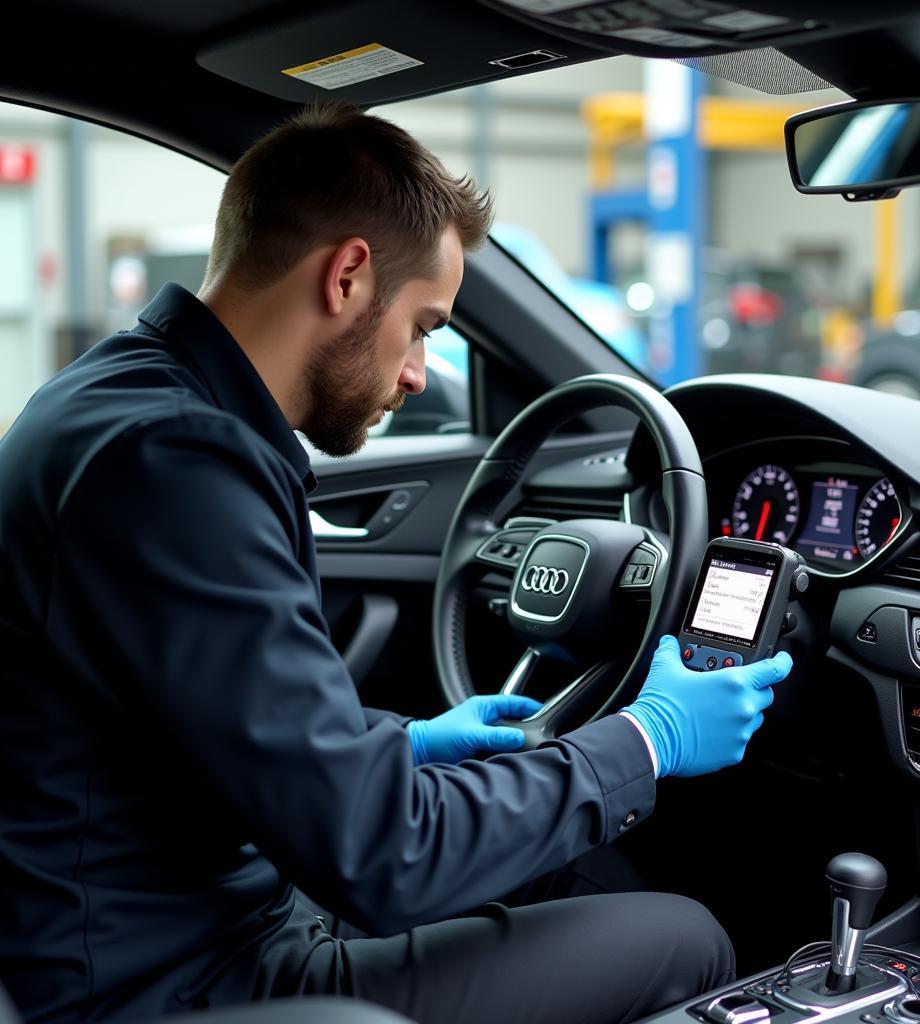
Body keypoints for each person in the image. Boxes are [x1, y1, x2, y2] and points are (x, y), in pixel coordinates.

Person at [0, 102, 792, 1024]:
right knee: (685, 939)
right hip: (175, 977)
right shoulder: (178, 463)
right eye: (422, 325)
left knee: (583, 867)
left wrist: (404, 745)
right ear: (347, 275)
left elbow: (193, 717)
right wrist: (651, 737)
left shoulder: (121, 399)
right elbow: (386, 861)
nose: (418, 370)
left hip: (162, 907)